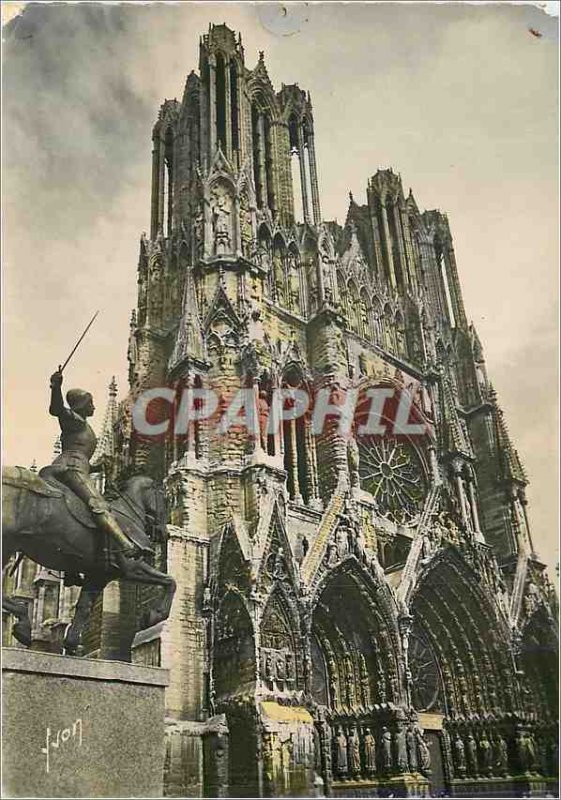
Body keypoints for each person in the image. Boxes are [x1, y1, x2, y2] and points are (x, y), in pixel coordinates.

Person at [44, 369, 136, 568]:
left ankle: (71, 563)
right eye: (90, 402)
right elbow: (57, 409)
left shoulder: (84, 426)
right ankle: (124, 543)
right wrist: (56, 387)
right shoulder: (74, 421)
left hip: (77, 467)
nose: (93, 406)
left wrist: (96, 467)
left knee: (78, 515)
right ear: (82, 405)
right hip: (70, 468)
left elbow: (85, 459)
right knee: (98, 504)